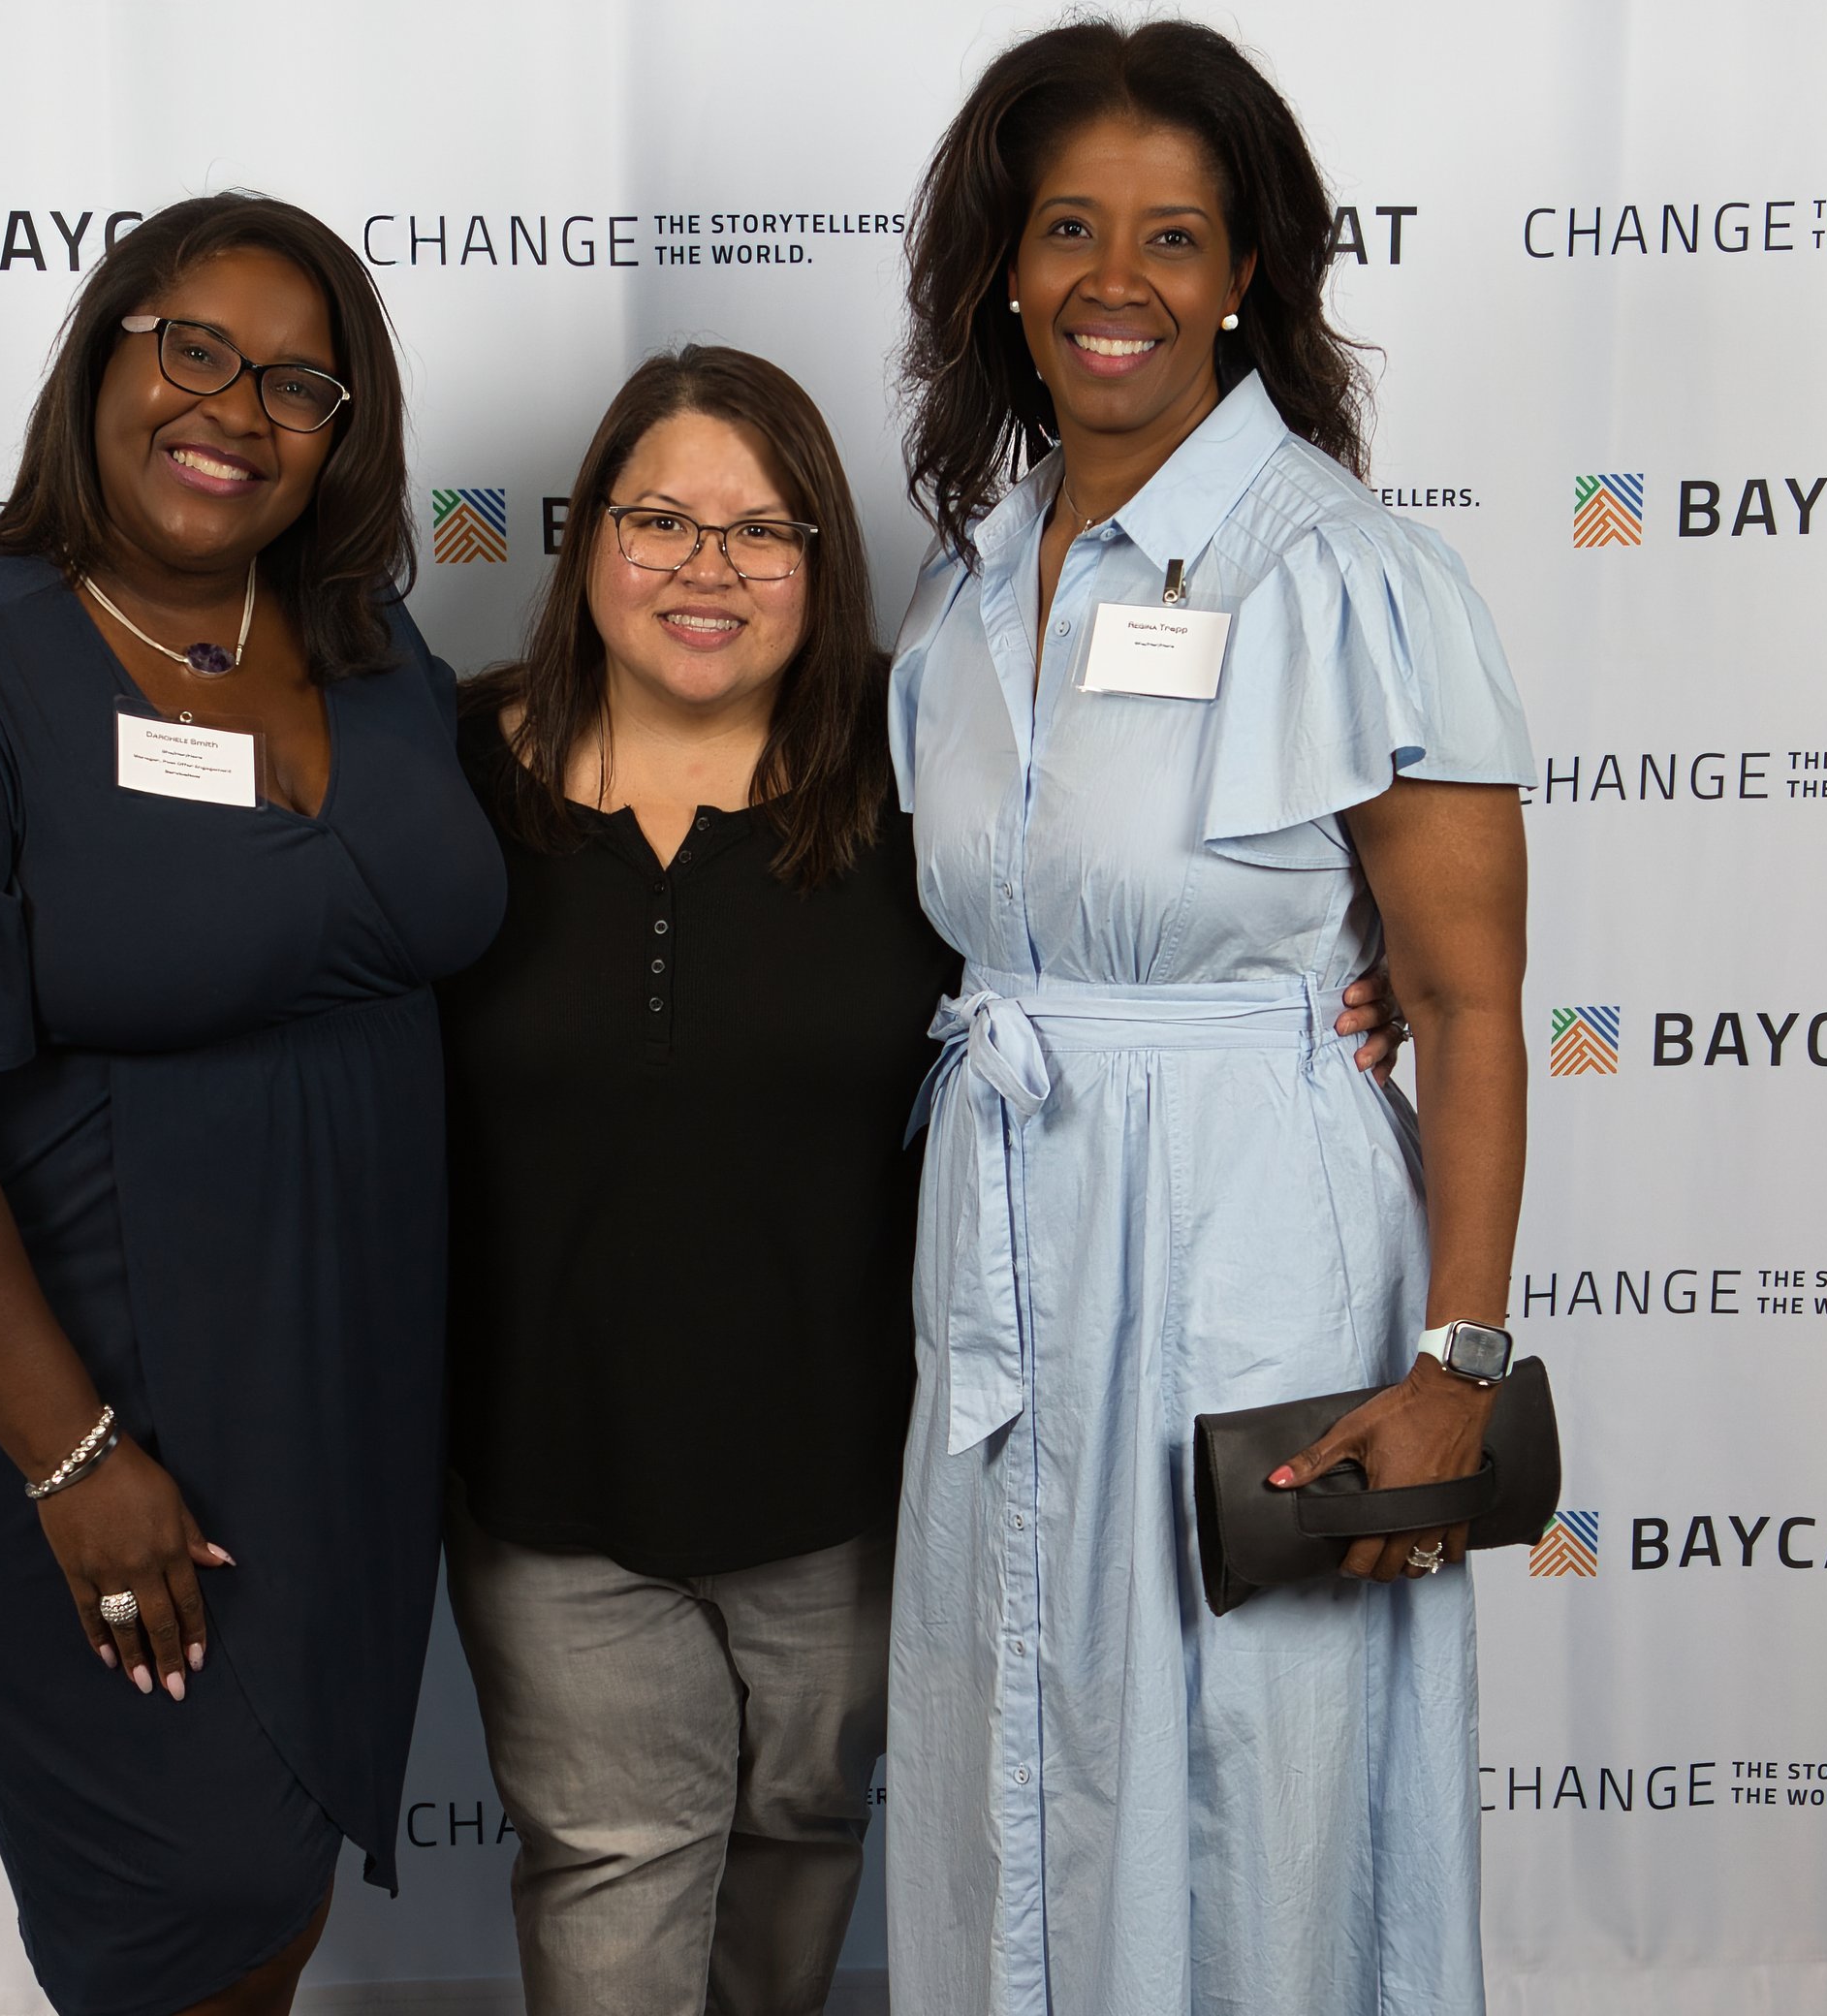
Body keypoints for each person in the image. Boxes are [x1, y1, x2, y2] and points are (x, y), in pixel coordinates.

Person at [431, 345, 1407, 2016]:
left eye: (767, 529)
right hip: (551, 1477)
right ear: (583, 535)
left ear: (826, 561)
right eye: (658, 519)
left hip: (857, 1478)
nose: (707, 569)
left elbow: (1136, 896)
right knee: (608, 1872)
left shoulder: (921, 772)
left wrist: (1319, 989)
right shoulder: (445, 776)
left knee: (805, 1842)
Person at [0, 194, 505, 2016]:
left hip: (339, 1381)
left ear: (345, 432)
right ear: (101, 358)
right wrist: (76, 1464)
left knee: (275, 1864)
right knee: (181, 1902)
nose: (236, 409)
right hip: (89, 1389)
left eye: (297, 382)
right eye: (194, 350)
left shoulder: (370, 648)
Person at [886, 18, 1533, 2016]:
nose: (1114, 280)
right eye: (1068, 226)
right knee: (1015, 1728)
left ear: (1246, 272)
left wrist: (1457, 1362)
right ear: (1002, 262)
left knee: (1251, 1772)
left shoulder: (1342, 574)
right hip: (1005, 1245)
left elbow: (1466, 999)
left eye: (1173, 236)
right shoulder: (970, 586)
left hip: (1250, 1248)